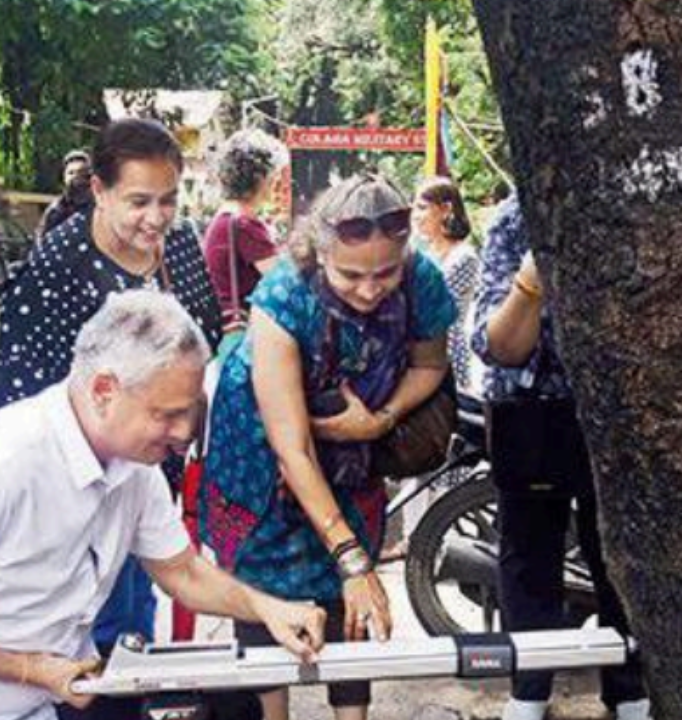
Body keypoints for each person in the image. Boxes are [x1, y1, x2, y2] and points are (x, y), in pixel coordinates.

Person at [0, 291, 327, 720]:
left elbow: (181, 571)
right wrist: (28, 668)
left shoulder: (134, 464)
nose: (184, 433)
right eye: (168, 414)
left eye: (191, 411)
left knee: (232, 707)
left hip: (59, 697)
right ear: (104, 391)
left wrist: (267, 608)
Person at [0, 118, 222, 719]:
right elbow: (15, 399)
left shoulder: (183, 246)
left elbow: (203, 338)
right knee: (91, 647)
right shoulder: (58, 267)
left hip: (151, 482)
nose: (156, 217)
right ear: (98, 190)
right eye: (138, 201)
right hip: (76, 497)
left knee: (136, 638)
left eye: (167, 200)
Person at [200, 174, 457, 720]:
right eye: (351, 275)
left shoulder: (421, 280)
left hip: (354, 453)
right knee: (266, 589)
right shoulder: (286, 294)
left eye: (385, 273)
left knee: (352, 601)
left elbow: (430, 365)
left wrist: (377, 423)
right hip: (261, 459)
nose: (370, 290)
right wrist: (352, 557)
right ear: (320, 254)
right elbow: (292, 449)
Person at [470, 198, 649, 720]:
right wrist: (530, 282)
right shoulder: (515, 219)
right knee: (528, 558)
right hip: (533, 411)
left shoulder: (628, 201)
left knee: (619, 557)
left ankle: (629, 689)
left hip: (616, 413)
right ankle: (529, 692)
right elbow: (499, 345)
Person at [203, 128, 289, 357]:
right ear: (260, 178)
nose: (279, 183)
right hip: (243, 334)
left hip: (226, 329)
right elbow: (284, 281)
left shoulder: (225, 217)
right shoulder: (244, 224)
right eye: (276, 175)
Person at [412, 176, 481, 391]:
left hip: (448, 354)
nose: (416, 216)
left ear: (445, 209)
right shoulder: (425, 253)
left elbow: (432, 304)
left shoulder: (463, 257)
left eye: (422, 208)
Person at [38, 149, 95, 240]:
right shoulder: (56, 210)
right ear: (64, 178)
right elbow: (43, 243)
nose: (77, 178)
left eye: (82, 173)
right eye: (71, 173)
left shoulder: (102, 208)